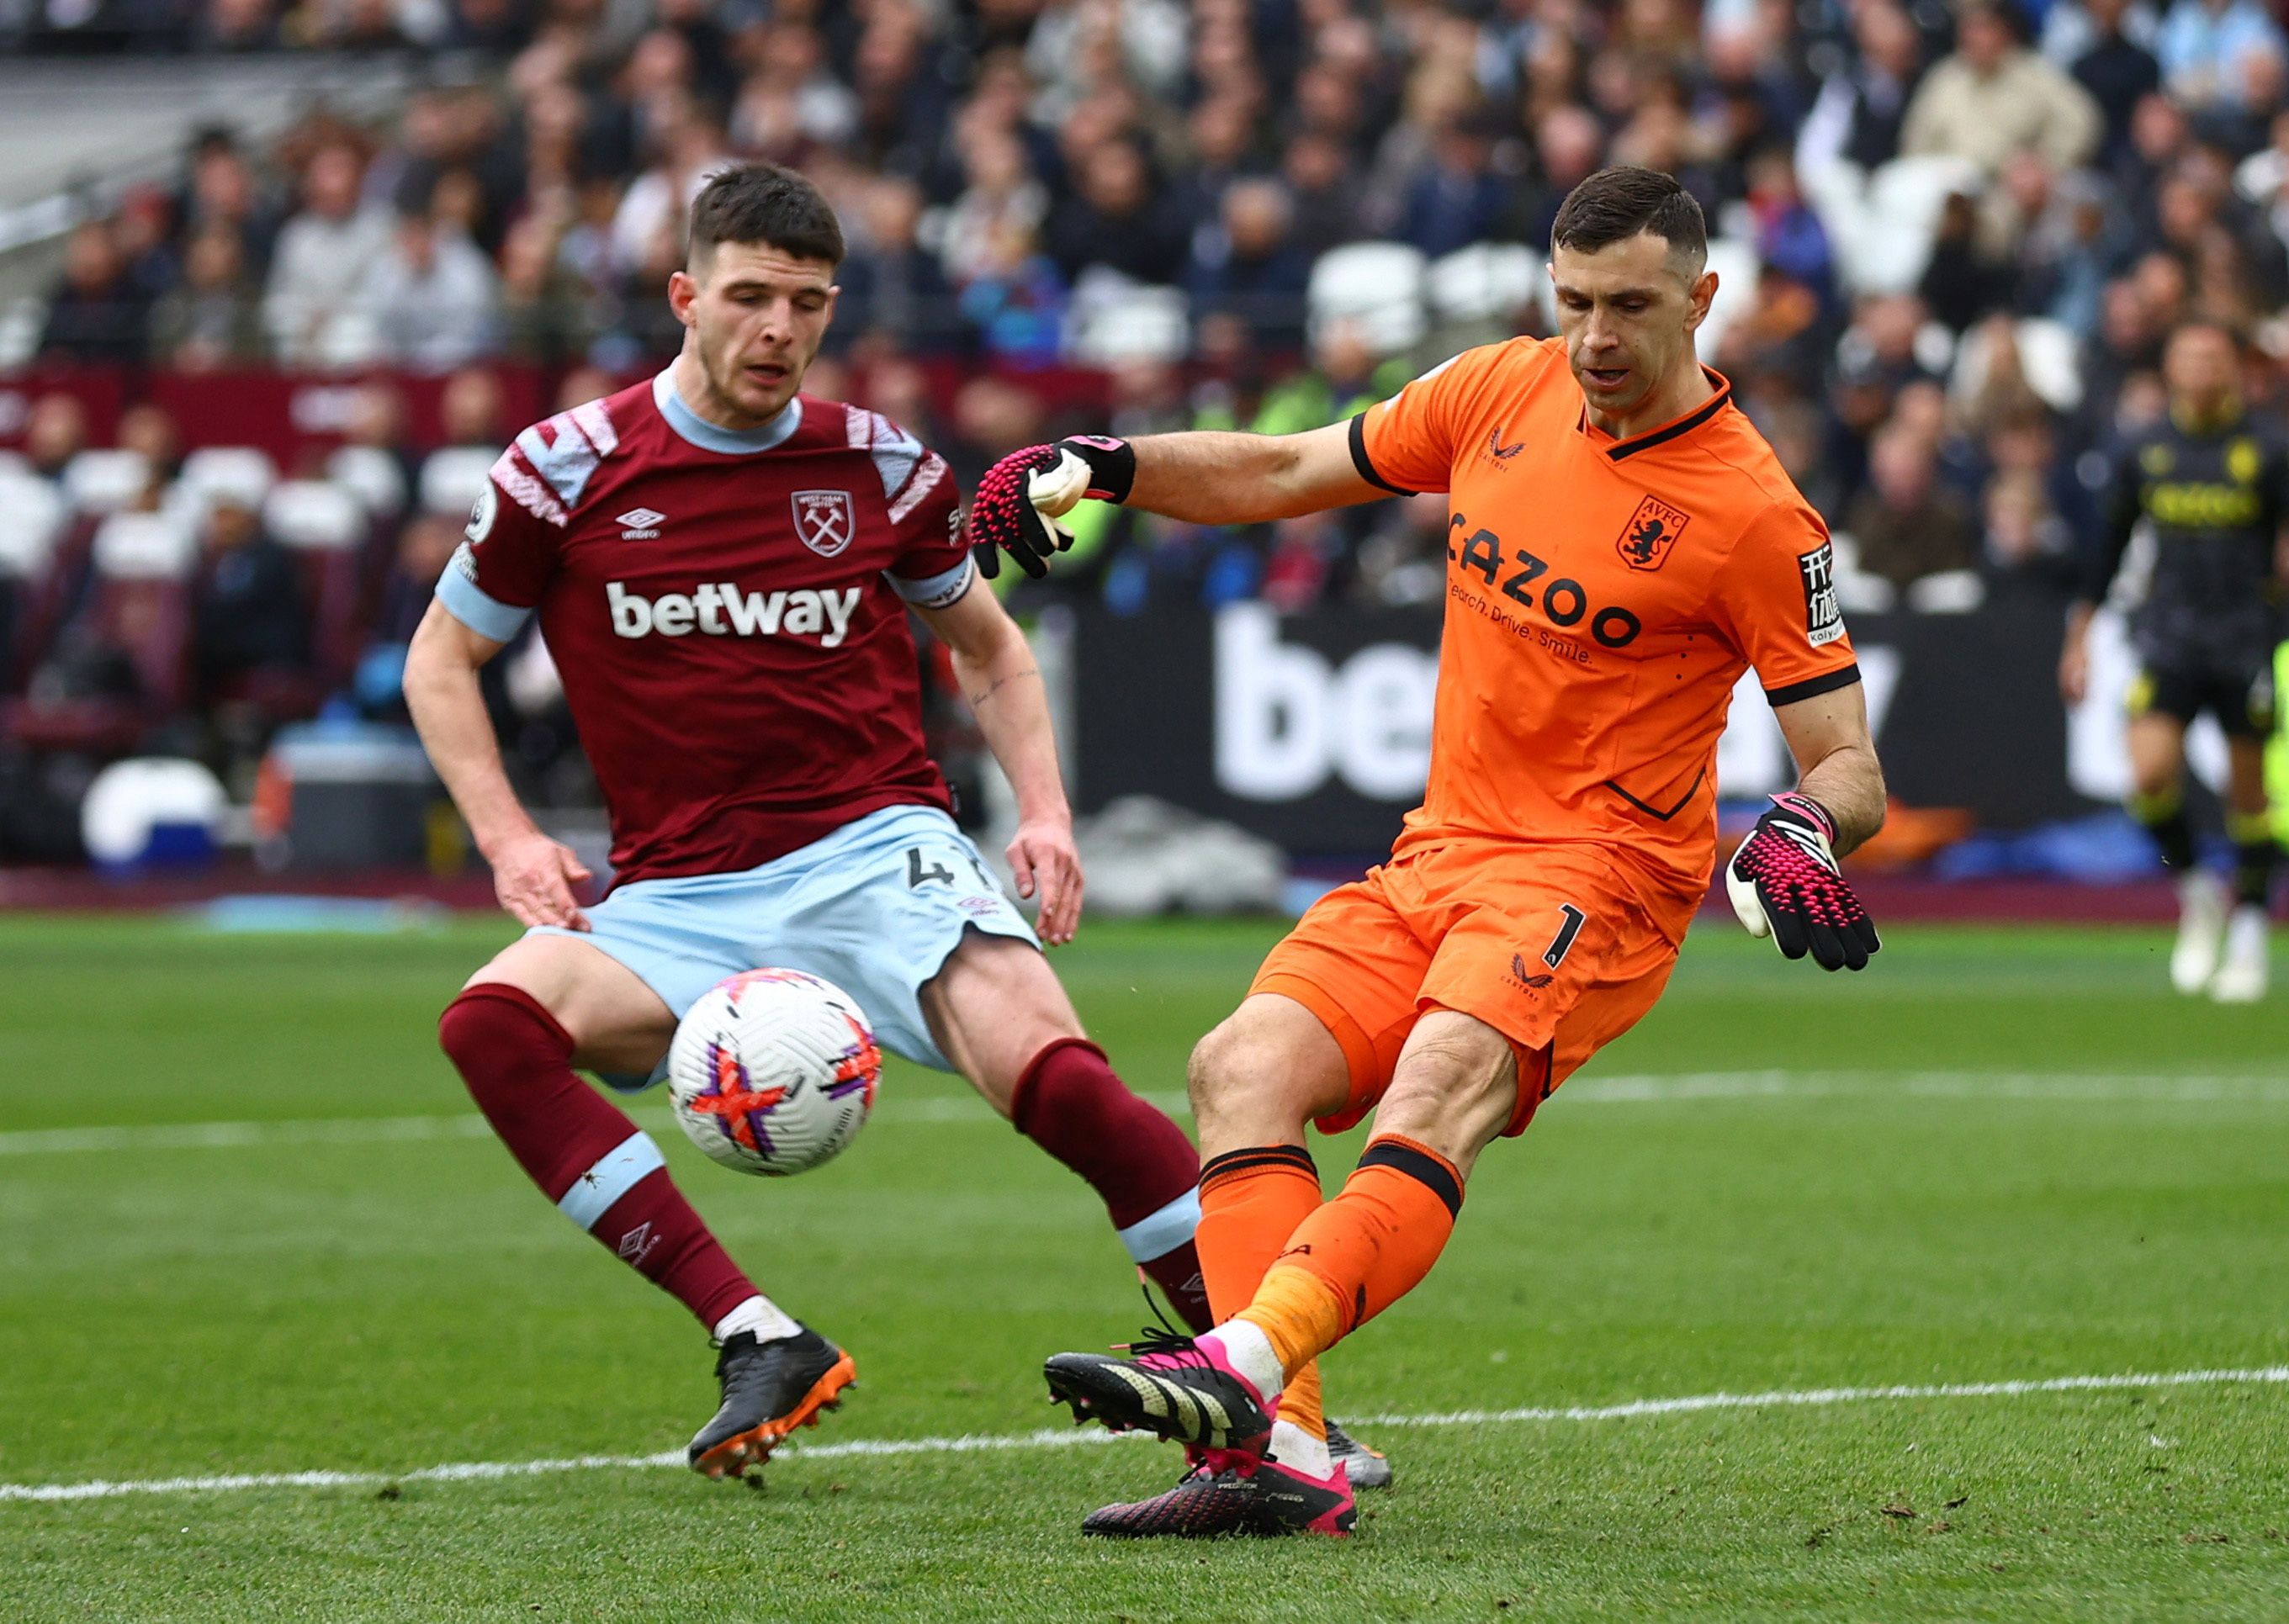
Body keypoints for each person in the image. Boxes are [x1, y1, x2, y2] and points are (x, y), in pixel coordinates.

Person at [969, 166, 1888, 1539]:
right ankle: (1280, 1453)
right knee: (1239, 1065)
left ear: (1703, 300)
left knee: (1444, 1078)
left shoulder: (1757, 515)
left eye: (1630, 306)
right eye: (1571, 301)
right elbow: (1285, 467)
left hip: (1599, 883)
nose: (1594, 338)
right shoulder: (1497, 390)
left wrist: (1807, 827)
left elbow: (1847, 762)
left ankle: (1244, 1366)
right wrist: (1108, 464)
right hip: (1437, 856)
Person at [402, 163, 1225, 1484]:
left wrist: (1047, 811)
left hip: (873, 852)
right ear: (685, 295)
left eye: (806, 302)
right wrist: (507, 837)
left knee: (1067, 1087)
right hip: (675, 897)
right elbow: (441, 660)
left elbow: (990, 648)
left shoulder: (880, 463)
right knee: (491, 1025)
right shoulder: (563, 469)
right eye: (748, 298)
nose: (777, 328)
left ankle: (1271, 1397)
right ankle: (756, 1332)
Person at [2059, 319, 2284, 1001]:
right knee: (2148, 774)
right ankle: (2197, 892)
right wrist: (2080, 634)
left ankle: (2248, 926)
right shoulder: (2144, 450)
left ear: (2233, 369)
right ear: (2168, 370)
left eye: (2213, 357)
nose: (2201, 368)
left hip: (2248, 633)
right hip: (2170, 634)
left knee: (2248, 791)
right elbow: (2109, 546)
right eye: (2187, 356)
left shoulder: (2269, 447)